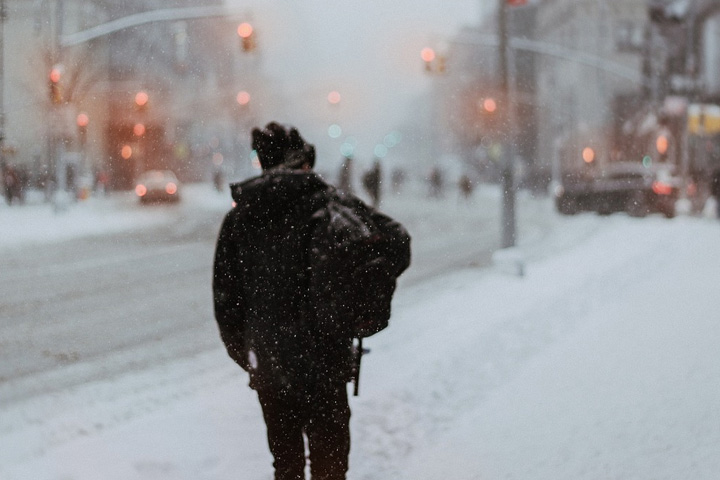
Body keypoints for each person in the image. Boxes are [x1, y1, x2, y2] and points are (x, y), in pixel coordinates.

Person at [213, 122, 408, 480]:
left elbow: (227, 303)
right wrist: (361, 302)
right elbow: (395, 240)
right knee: (330, 466)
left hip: (270, 363)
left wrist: (252, 354)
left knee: (286, 466)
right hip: (325, 359)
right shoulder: (331, 205)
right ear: (302, 162)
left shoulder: (240, 217)